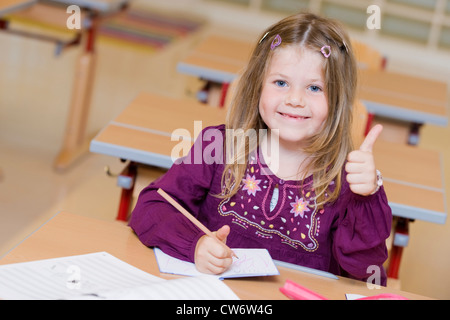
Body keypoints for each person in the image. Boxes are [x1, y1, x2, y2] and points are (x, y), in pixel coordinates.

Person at [129, 12, 392, 285]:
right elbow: (151, 208)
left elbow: (367, 274)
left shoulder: (348, 183)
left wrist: (368, 196)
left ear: (337, 101)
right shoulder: (218, 146)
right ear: (258, 86)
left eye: (314, 88)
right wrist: (194, 245)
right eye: (281, 83)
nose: (294, 99)